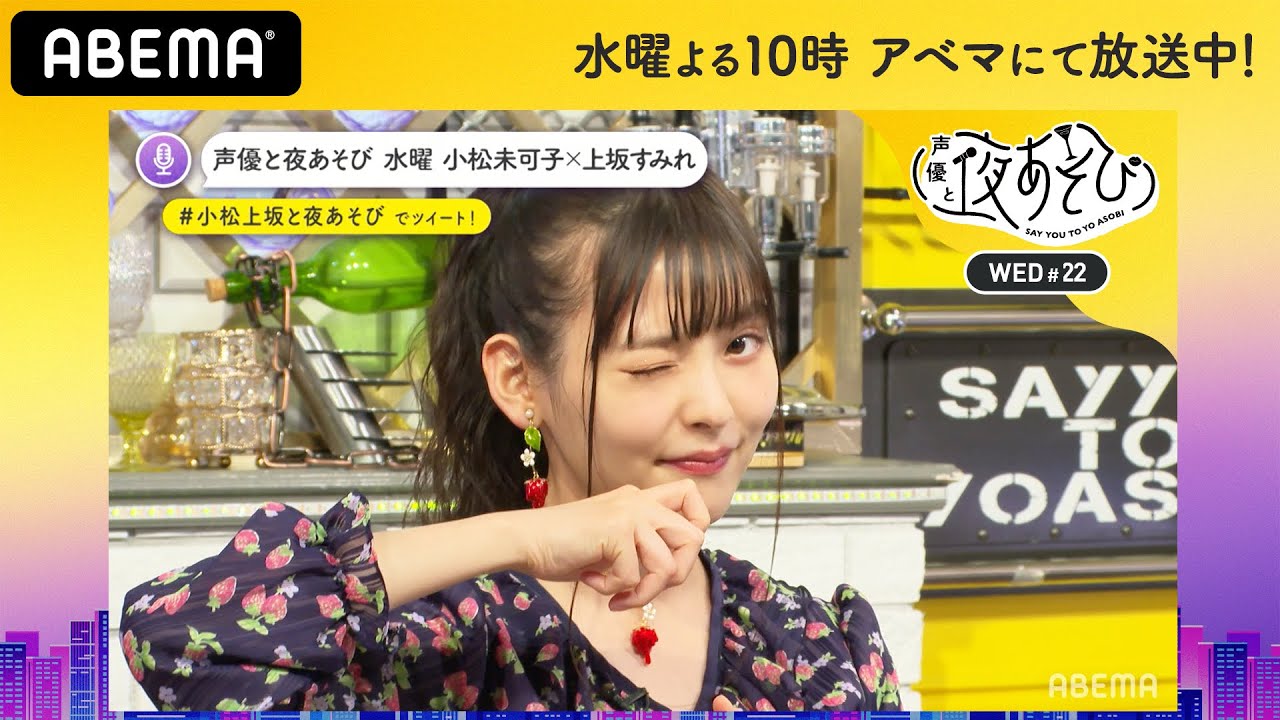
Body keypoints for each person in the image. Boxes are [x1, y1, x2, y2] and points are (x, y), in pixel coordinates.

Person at [119, 170, 902, 713]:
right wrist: (527, 539)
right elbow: (176, 635)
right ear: (520, 381)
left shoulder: (815, 645)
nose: (717, 408)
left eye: (741, 345)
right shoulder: (437, 641)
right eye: (653, 363)